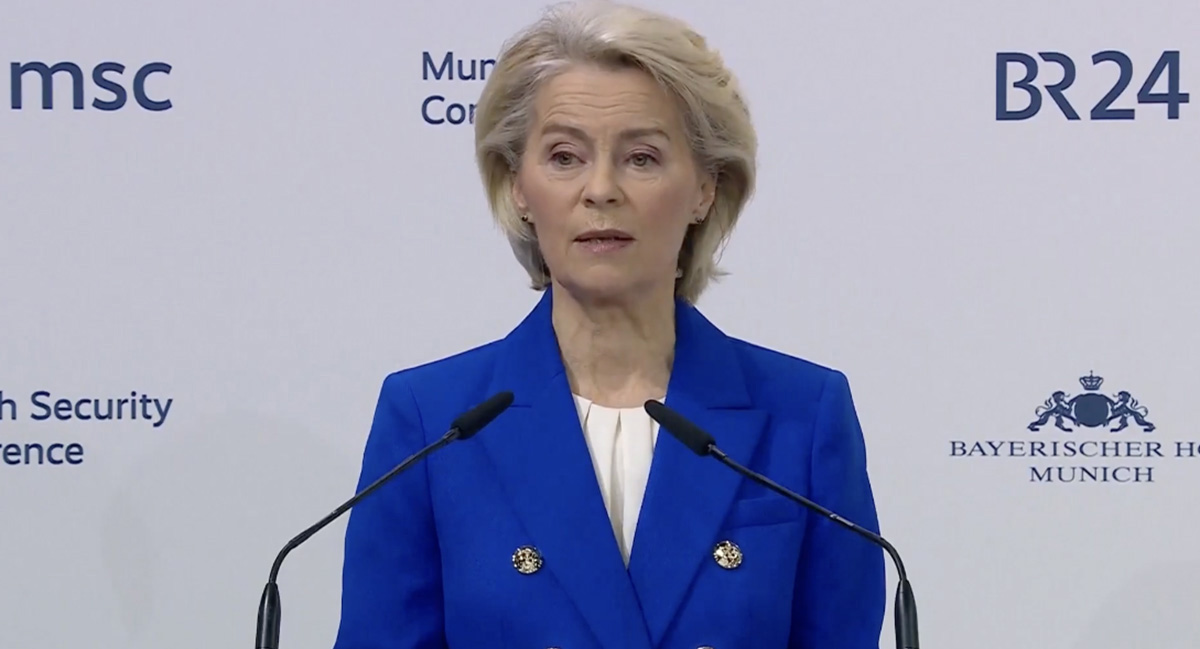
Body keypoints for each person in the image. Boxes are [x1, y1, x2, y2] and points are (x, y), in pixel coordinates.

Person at [332, 1, 886, 647]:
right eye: (564, 156)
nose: (600, 189)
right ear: (518, 186)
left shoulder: (803, 414)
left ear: (704, 188)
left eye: (642, 158)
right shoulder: (434, 421)